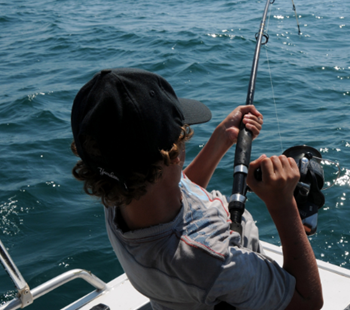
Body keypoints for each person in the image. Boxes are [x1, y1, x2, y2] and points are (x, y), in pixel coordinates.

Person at [70, 68, 323, 310]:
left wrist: (222, 137)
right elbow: (307, 300)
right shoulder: (211, 261)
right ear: (173, 156)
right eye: (181, 136)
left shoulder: (117, 191)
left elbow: (173, 192)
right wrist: (282, 204)